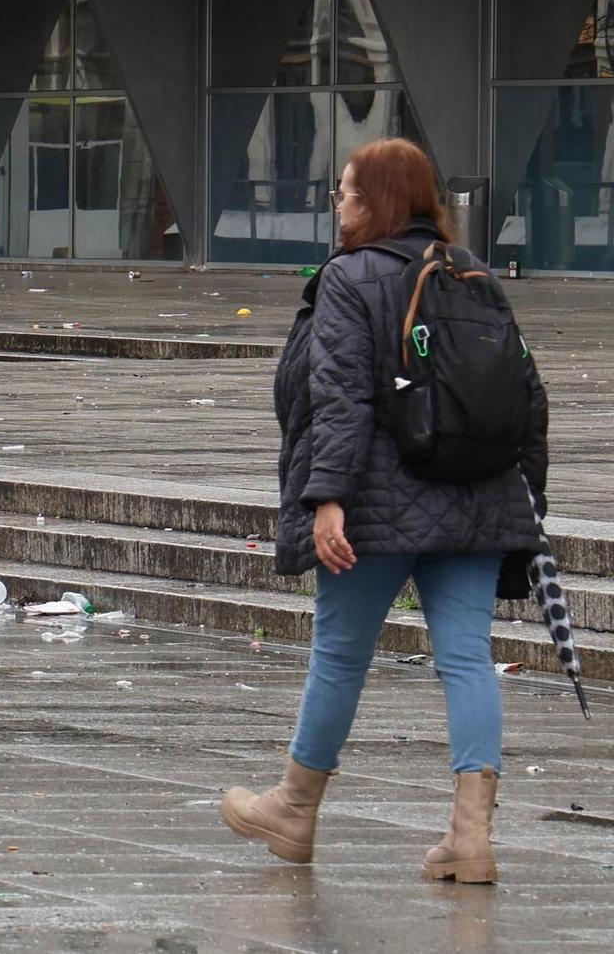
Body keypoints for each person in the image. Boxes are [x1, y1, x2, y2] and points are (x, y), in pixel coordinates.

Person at [221, 138, 548, 884]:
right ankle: (471, 838)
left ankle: (295, 810)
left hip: (376, 504)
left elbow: (339, 398)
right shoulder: (476, 276)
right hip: (478, 503)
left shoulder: (350, 277)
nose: (337, 203)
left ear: (377, 201)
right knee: (466, 659)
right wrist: (528, 508)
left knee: (339, 656)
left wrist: (326, 498)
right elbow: (528, 400)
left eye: (346, 191)